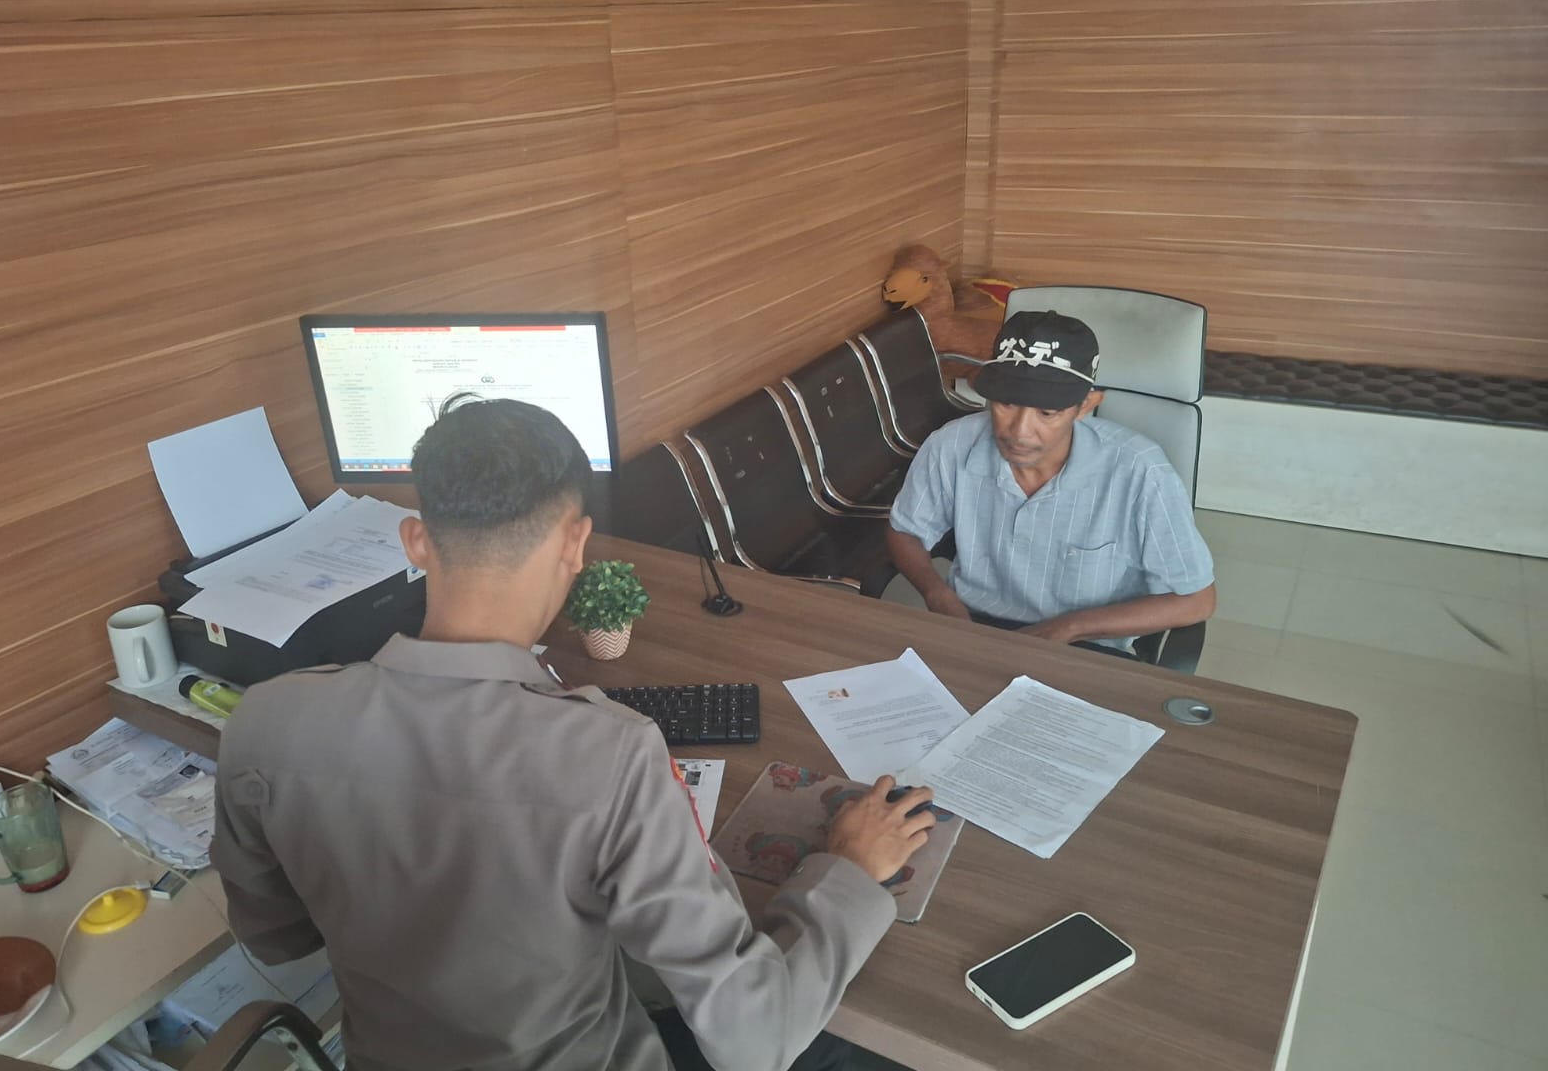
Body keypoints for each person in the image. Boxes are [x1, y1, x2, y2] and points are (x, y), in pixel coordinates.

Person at [212, 397, 937, 1071]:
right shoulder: (612, 752)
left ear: (415, 542)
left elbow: (279, 938)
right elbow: (757, 1039)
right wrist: (846, 871)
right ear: (576, 543)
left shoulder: (266, 720)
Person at [886, 310, 1216, 659]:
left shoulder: (1140, 471)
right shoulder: (952, 444)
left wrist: (1068, 628)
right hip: (973, 628)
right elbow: (905, 530)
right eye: (1006, 403)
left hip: (1084, 646)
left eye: (1047, 413)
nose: (1019, 431)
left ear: (1085, 406)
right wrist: (938, 595)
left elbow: (1198, 599)